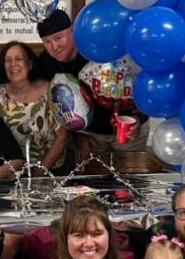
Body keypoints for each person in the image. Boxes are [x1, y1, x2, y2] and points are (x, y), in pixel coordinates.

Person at [35, 9, 146, 156]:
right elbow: (59, 106)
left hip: (127, 126)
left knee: (129, 177)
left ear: (73, 30)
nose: (54, 47)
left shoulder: (97, 48)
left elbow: (140, 82)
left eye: (59, 38)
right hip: (91, 134)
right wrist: (78, 135)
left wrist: (138, 118)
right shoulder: (46, 62)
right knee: (94, 177)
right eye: (47, 42)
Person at [0, 41, 70, 172]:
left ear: (30, 64)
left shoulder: (51, 91)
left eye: (19, 59)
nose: (13, 64)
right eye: (7, 60)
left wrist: (40, 174)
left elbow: (63, 138)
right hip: (12, 175)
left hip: (52, 172)